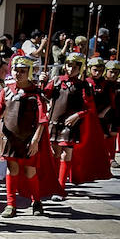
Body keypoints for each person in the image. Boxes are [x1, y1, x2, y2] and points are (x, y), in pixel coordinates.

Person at [0, 56, 63, 217]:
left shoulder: (36, 92)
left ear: (29, 72)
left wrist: (35, 141)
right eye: (16, 70)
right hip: (10, 138)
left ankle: (36, 201)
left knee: (30, 170)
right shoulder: (6, 89)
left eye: (23, 71)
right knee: (12, 169)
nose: (18, 74)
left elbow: (42, 120)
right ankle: (10, 205)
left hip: (29, 139)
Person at [44, 51, 93, 198]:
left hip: (70, 124)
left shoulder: (83, 85)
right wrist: (43, 81)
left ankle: (60, 187)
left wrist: (76, 116)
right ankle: (52, 184)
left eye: (74, 66)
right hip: (54, 122)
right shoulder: (57, 80)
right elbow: (45, 95)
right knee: (55, 154)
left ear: (80, 68)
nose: (70, 69)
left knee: (66, 154)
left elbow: (88, 107)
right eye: (69, 65)